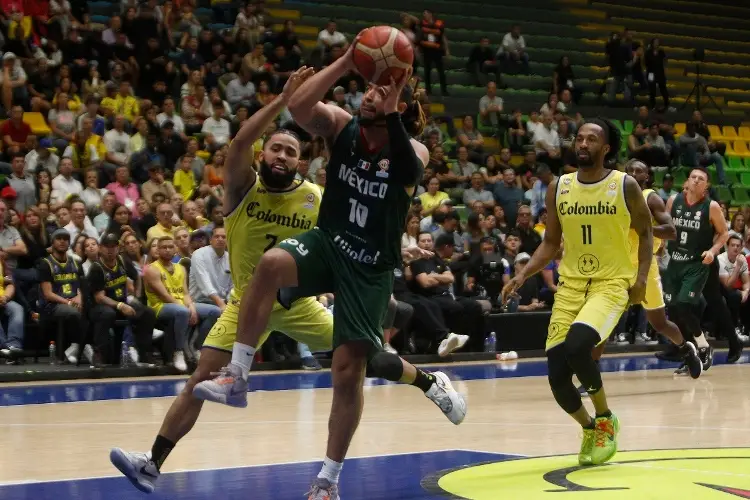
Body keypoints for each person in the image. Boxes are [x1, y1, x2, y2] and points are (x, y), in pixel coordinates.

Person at [110, 67, 465, 497]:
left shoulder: (318, 197)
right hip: (249, 303)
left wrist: (395, 247)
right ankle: (155, 459)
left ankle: (428, 383)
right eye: (274, 148)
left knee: (363, 363)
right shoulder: (243, 187)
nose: (280, 156)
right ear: (263, 156)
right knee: (203, 373)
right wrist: (319, 75)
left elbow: (371, 209)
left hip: (303, 303)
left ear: (301, 161)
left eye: (289, 151)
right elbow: (252, 135)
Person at [503, 119, 653, 467]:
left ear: (606, 149)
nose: (582, 143)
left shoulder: (624, 185)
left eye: (592, 139)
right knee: (556, 376)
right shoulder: (559, 186)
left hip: (611, 284)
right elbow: (551, 242)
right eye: (579, 138)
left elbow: (645, 233)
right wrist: (523, 274)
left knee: (577, 346)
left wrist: (642, 277)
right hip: (571, 286)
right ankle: (588, 427)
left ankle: (604, 418)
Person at [588, 160, 702, 376]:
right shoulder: (615, 198)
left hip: (645, 266)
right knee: (606, 320)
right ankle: (591, 374)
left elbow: (671, 231)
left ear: (646, 177)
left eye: (639, 170)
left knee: (659, 323)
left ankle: (686, 350)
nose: (632, 173)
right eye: (629, 170)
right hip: (619, 267)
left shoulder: (651, 198)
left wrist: (642, 226)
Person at [663, 168, 729, 374]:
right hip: (674, 263)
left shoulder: (712, 207)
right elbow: (665, 227)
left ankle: (703, 345)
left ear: (706, 186)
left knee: (683, 305)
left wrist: (713, 250)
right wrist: (658, 247)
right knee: (673, 310)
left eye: (701, 179)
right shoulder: (674, 200)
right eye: (693, 177)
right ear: (687, 181)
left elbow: (724, 234)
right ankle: (689, 354)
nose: (696, 181)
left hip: (696, 264)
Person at [87, 233, 156, 366]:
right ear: (101, 248)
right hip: (98, 307)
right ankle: (99, 354)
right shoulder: (97, 268)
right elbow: (99, 297)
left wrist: (136, 297)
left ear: (118, 248)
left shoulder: (123, 260)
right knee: (108, 313)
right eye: (107, 246)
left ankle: (144, 354)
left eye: (114, 246)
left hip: (121, 302)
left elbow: (137, 277)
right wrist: (120, 305)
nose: (110, 250)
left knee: (148, 313)